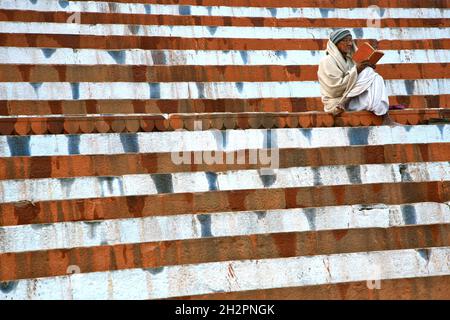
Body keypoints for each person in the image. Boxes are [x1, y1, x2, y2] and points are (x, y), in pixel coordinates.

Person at [317, 29, 398, 125]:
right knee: (367, 71)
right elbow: (333, 89)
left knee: (376, 77)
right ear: (335, 44)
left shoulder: (350, 59)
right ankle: (345, 102)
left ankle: (385, 116)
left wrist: (365, 66)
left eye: (350, 40)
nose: (349, 44)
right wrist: (357, 70)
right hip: (335, 102)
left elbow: (357, 79)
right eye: (345, 40)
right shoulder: (326, 61)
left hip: (351, 101)